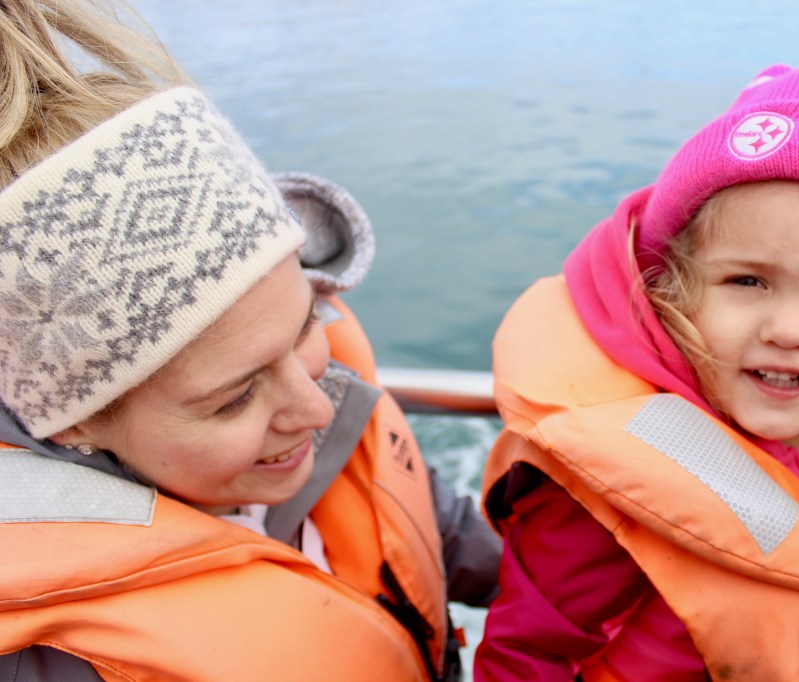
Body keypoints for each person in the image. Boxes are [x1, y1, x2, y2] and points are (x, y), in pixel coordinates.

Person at [0, 1, 499, 680]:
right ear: (76, 419)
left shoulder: (327, 418)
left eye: (304, 331)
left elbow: (448, 536)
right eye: (233, 400)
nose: (318, 409)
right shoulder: (52, 661)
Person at [474, 62, 799, 681]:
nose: (788, 330)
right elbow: (528, 656)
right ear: (676, 291)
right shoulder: (607, 488)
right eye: (747, 281)